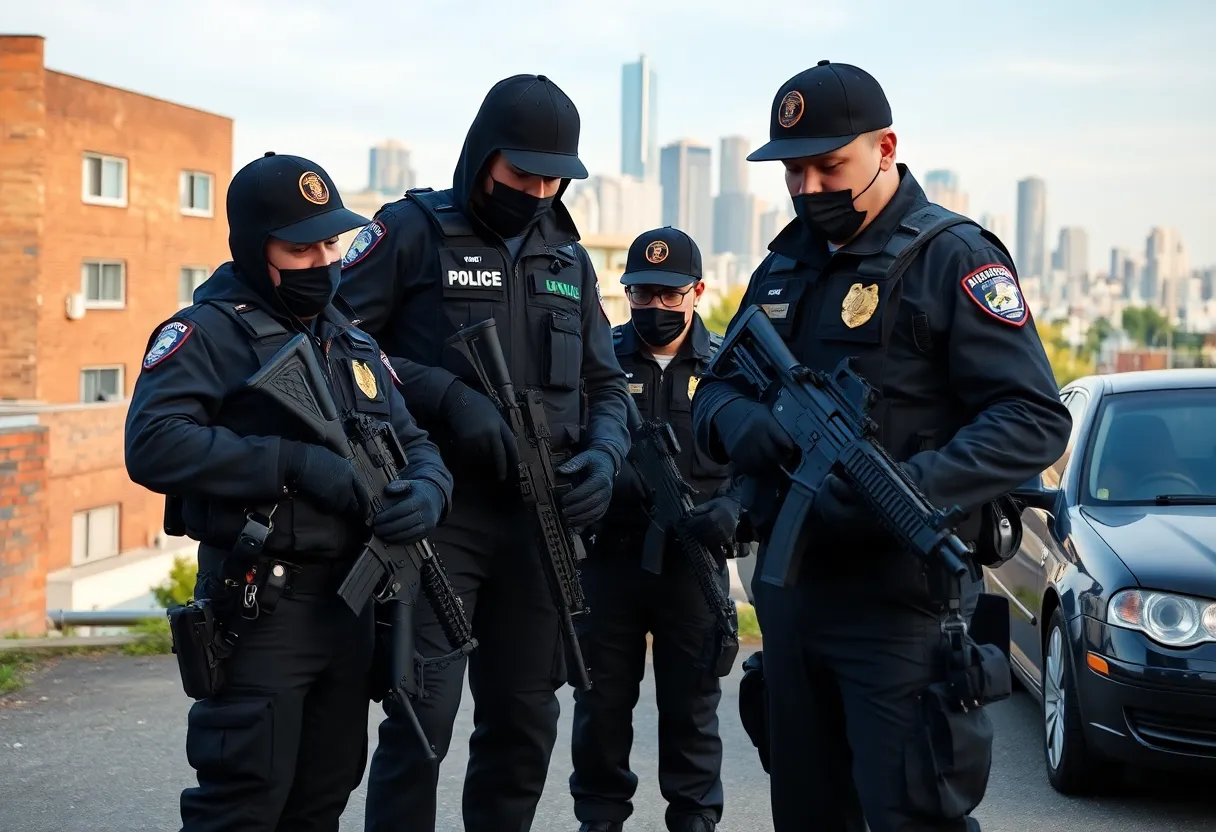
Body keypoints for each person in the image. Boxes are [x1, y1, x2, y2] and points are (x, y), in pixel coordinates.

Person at [689, 61, 1073, 832]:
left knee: (910, 814)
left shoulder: (954, 258)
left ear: (886, 147)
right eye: (794, 171)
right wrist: (745, 426)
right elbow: (718, 391)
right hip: (793, 601)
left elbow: (1033, 417)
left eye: (830, 166)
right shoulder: (782, 265)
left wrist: (907, 487)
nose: (809, 188)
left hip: (900, 609)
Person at [124, 152, 454, 832]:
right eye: (299, 248)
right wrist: (292, 464)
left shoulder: (350, 337)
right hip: (261, 609)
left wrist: (427, 491)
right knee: (243, 804)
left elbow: (415, 439)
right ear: (253, 246)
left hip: (349, 608)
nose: (322, 262)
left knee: (322, 798)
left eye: (330, 244)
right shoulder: (206, 332)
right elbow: (154, 441)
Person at [338, 74, 631, 832]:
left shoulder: (569, 256)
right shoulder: (410, 229)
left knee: (526, 722)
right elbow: (339, 344)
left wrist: (603, 458)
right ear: (482, 156)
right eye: (521, 174)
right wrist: (445, 396)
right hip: (444, 517)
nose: (536, 192)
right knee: (420, 720)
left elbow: (607, 385)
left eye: (551, 178)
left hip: (543, 524)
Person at [570, 227, 740, 832]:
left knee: (692, 708)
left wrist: (732, 512)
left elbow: (755, 462)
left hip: (693, 566)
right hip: (608, 562)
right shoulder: (601, 363)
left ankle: (694, 820)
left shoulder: (727, 369)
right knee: (600, 707)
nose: (656, 308)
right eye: (642, 294)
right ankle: (599, 819)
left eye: (670, 296)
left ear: (696, 290)